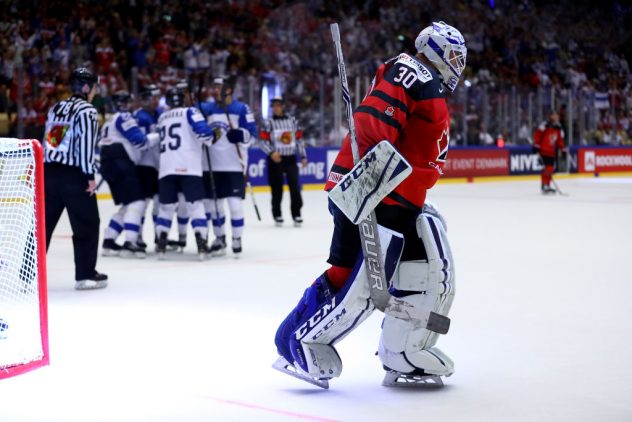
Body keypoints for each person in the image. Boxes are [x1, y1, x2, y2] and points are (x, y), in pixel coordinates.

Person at [274, 22, 466, 387]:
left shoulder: (429, 83)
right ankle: (296, 342)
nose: (457, 64)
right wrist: (370, 186)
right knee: (355, 282)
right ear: (434, 50)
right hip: (375, 194)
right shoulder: (414, 70)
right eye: (454, 55)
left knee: (427, 272)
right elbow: (372, 124)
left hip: (397, 198)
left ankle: (403, 352)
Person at [42, 67, 107, 290]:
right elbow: (86, 147)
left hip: (49, 174)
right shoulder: (87, 111)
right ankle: (86, 275)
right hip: (74, 177)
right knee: (87, 224)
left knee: (43, 226)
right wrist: (89, 177)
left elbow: (51, 142)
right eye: (95, 86)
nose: (96, 91)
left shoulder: (56, 107)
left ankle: (26, 276)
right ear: (86, 87)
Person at [199, 77, 257, 256]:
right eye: (214, 86)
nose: (215, 90)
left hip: (234, 165)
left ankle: (237, 238)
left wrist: (241, 134)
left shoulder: (241, 109)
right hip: (210, 166)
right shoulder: (208, 108)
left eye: (219, 87)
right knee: (213, 205)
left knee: (234, 205)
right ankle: (220, 238)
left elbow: (253, 135)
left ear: (229, 90)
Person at [154, 88, 214, 259]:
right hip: (189, 167)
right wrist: (212, 136)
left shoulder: (162, 118)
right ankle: (202, 246)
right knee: (195, 207)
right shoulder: (190, 111)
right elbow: (204, 133)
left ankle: (162, 247)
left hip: (167, 167)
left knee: (166, 208)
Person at [99, 91, 154, 258]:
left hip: (108, 161)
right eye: (129, 102)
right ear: (124, 104)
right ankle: (130, 243)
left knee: (129, 203)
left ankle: (109, 240)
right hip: (120, 160)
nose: (131, 106)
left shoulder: (109, 121)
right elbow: (141, 141)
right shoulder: (124, 117)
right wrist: (158, 136)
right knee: (138, 202)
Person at [258, 96, 307, 227]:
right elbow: (262, 142)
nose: (276, 108)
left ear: (283, 106)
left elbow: (299, 140)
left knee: (295, 187)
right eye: (274, 106)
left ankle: (296, 213)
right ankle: (277, 214)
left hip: (290, 158)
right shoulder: (268, 123)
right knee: (276, 188)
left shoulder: (292, 121)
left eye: (278, 105)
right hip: (275, 159)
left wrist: (303, 156)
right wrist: (271, 152)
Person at [133, 84, 162, 248]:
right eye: (153, 97)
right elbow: (140, 143)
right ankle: (137, 235)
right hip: (143, 166)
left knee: (159, 203)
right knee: (142, 204)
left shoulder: (160, 115)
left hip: (158, 167)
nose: (157, 101)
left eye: (158, 97)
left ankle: (159, 236)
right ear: (145, 99)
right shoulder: (139, 116)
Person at [533, 111, 565, 194]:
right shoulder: (545, 125)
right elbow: (538, 134)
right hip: (544, 150)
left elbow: (559, 140)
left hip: (551, 151)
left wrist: (562, 148)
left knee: (550, 169)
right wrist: (536, 145)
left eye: (557, 115)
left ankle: (546, 185)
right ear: (551, 116)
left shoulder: (559, 127)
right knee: (546, 169)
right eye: (554, 115)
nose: (556, 116)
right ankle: (545, 185)